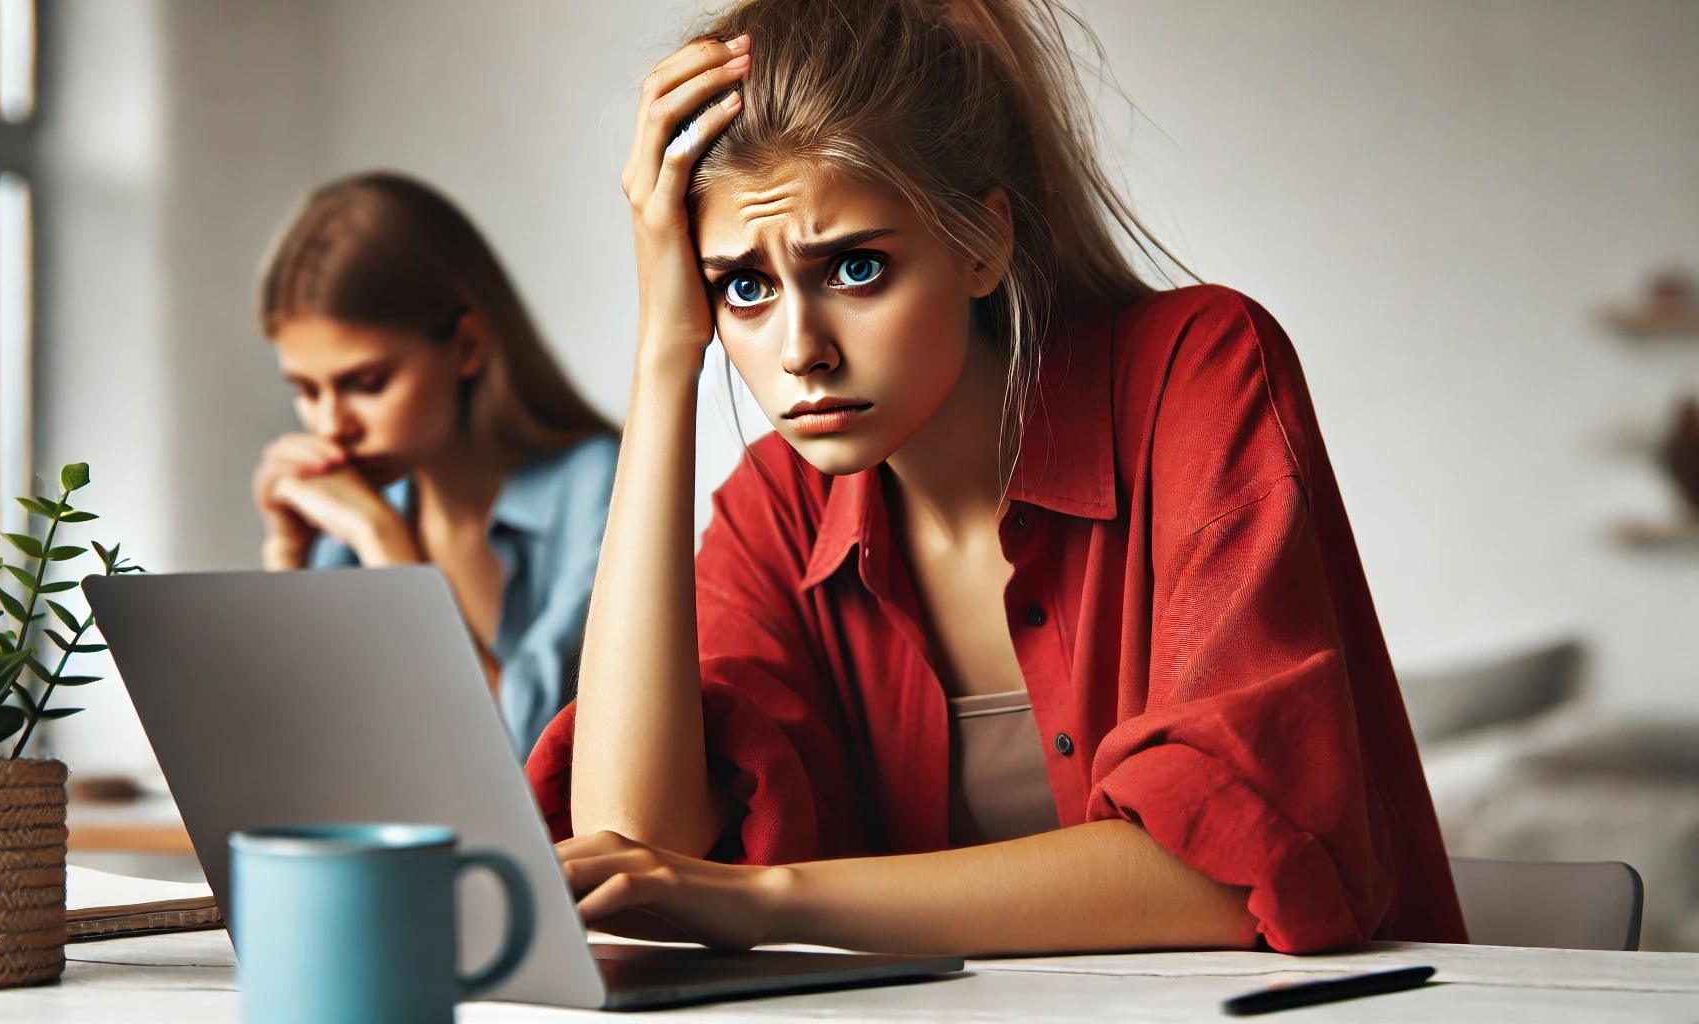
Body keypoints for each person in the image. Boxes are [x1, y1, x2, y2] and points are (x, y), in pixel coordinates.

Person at [534, 0, 1468, 956]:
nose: (799, 351)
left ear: (983, 244)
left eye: (855, 268)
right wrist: (663, 356)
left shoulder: (1198, 370)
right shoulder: (776, 507)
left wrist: (769, 899)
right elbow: (632, 854)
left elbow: (1231, 870)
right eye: (743, 287)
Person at [252, 171, 618, 759]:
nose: (329, 425)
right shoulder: (358, 512)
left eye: (366, 384)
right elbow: (288, 757)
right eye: (306, 389)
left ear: (467, 347)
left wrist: (391, 550)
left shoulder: (595, 484)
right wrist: (287, 556)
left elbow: (531, 759)